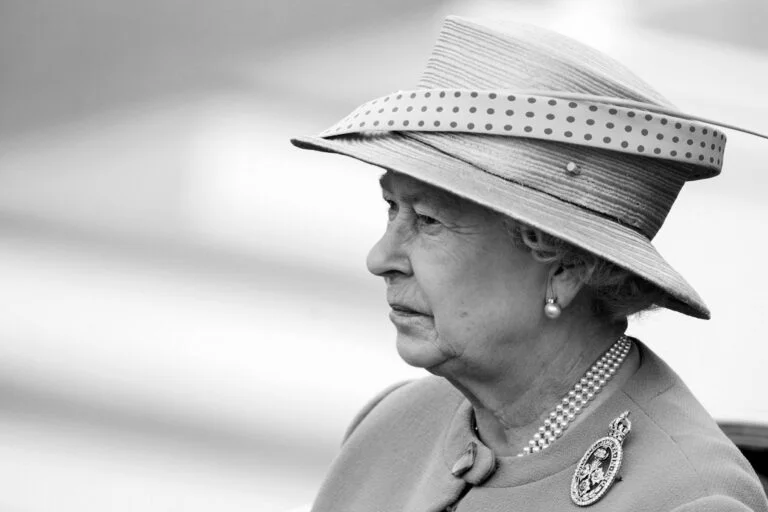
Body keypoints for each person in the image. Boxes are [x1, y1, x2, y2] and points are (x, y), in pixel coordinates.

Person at [291, 16, 768, 512]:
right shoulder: (390, 426)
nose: (380, 259)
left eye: (429, 221)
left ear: (564, 266)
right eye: (393, 208)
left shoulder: (687, 498)